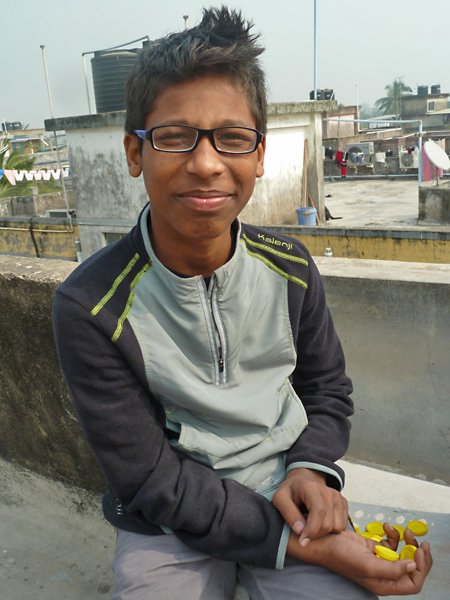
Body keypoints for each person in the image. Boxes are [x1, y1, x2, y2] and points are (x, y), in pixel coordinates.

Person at [52, 7, 432, 599]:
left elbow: (326, 389)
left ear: (258, 154)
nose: (206, 165)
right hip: (170, 523)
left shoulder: (291, 269)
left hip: (288, 493)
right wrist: (303, 545)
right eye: (174, 137)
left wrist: (310, 470)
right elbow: (151, 478)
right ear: (134, 152)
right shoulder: (91, 305)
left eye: (231, 138)